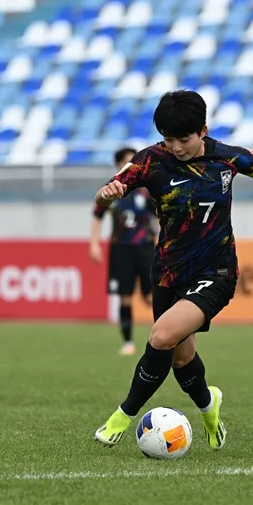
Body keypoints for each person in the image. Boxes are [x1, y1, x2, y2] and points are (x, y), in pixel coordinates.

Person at [93, 90, 253, 449]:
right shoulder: (149, 161)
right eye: (169, 139)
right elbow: (105, 194)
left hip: (216, 270)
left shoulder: (228, 157)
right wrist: (106, 195)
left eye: (184, 139)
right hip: (169, 272)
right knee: (181, 359)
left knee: (161, 336)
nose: (177, 147)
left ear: (203, 130)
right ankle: (208, 407)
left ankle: (122, 416)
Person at [90, 147, 158, 356]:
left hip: (146, 247)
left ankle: (166, 338)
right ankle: (128, 342)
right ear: (119, 165)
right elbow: (97, 214)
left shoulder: (146, 189)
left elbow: (159, 215)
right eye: (129, 162)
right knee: (125, 296)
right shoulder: (110, 189)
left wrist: (162, 239)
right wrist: (94, 243)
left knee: (152, 295)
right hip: (121, 247)